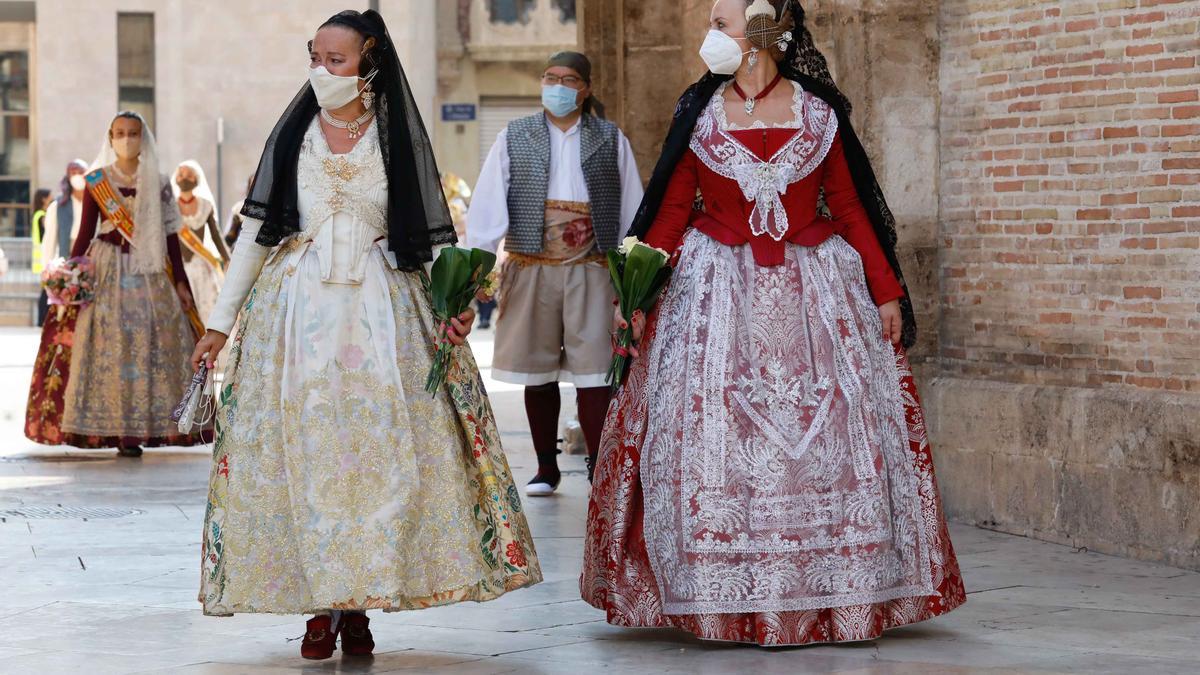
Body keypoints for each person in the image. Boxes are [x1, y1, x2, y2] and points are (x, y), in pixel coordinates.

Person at [581, 0, 965, 646]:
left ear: (763, 33)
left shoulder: (817, 115)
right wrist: (638, 290)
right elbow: (673, 208)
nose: (711, 36)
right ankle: (717, 595)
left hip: (817, 289)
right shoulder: (700, 115)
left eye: (721, 25)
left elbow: (846, 203)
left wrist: (886, 292)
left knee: (828, 432)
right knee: (712, 433)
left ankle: (837, 590)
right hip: (712, 293)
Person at [189, 10, 541, 661]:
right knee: (309, 459)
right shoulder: (295, 134)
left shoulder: (395, 137)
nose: (321, 70)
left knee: (379, 463)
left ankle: (357, 600)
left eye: (336, 59)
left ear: (368, 61)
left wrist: (454, 302)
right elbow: (257, 234)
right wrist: (219, 322)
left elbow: (434, 235)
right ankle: (323, 603)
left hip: (385, 316)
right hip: (298, 319)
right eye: (315, 56)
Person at [467, 51, 644, 495]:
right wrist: (478, 269)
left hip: (592, 267)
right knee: (536, 369)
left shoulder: (609, 138)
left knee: (594, 371)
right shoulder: (514, 136)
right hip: (531, 265)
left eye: (567, 79)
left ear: (585, 88)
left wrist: (631, 275)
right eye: (550, 77)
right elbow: (488, 204)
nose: (557, 86)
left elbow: (630, 211)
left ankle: (598, 468)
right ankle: (546, 467)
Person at [24, 112, 207, 457]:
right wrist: (70, 274)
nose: (127, 139)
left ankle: (142, 427)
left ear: (144, 138)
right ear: (110, 138)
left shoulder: (159, 181)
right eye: (120, 133)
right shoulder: (97, 181)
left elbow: (171, 238)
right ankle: (114, 429)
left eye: (133, 133)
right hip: (106, 268)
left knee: (149, 344)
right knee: (106, 344)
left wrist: (180, 281)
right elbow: (84, 235)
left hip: (149, 272)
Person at [173, 160, 231, 321]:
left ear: (196, 180)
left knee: (207, 309)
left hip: (201, 266)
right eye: (181, 174)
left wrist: (227, 259)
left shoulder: (205, 206)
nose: (184, 178)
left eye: (188, 175)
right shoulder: (170, 206)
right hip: (178, 266)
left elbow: (216, 236)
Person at [30, 187, 52, 323]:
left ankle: (42, 319)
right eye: (50, 196)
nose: (52, 198)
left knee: (45, 289)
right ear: (44, 199)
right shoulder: (42, 215)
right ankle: (42, 319)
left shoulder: (37, 214)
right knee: (46, 290)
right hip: (44, 258)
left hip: (41, 259)